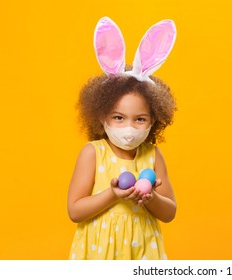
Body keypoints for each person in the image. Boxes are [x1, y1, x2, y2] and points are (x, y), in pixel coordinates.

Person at [68, 17, 177, 260]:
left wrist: (151, 197)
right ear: (101, 117)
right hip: (101, 253)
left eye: (139, 119)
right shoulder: (93, 152)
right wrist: (113, 194)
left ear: (154, 120)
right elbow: (75, 211)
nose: (129, 128)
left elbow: (169, 213)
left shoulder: (152, 155)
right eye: (118, 118)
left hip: (143, 251)